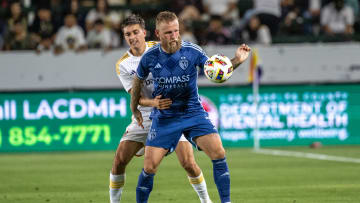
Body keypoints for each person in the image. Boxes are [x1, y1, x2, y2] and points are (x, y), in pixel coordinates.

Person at [131, 11, 251, 203]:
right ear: (158, 34)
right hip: (165, 117)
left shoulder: (192, 51)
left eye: (176, 31)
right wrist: (134, 108)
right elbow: (137, 81)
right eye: (168, 32)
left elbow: (215, 72)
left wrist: (237, 60)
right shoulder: (150, 57)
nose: (174, 36)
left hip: (192, 112)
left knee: (219, 152)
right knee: (150, 167)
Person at [110, 14, 213, 203]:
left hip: (173, 114)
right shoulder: (123, 64)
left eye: (135, 32)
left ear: (145, 33)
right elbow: (136, 96)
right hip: (147, 115)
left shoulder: (160, 49)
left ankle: (206, 201)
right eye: (127, 34)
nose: (132, 37)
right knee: (119, 161)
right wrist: (153, 103)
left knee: (189, 163)